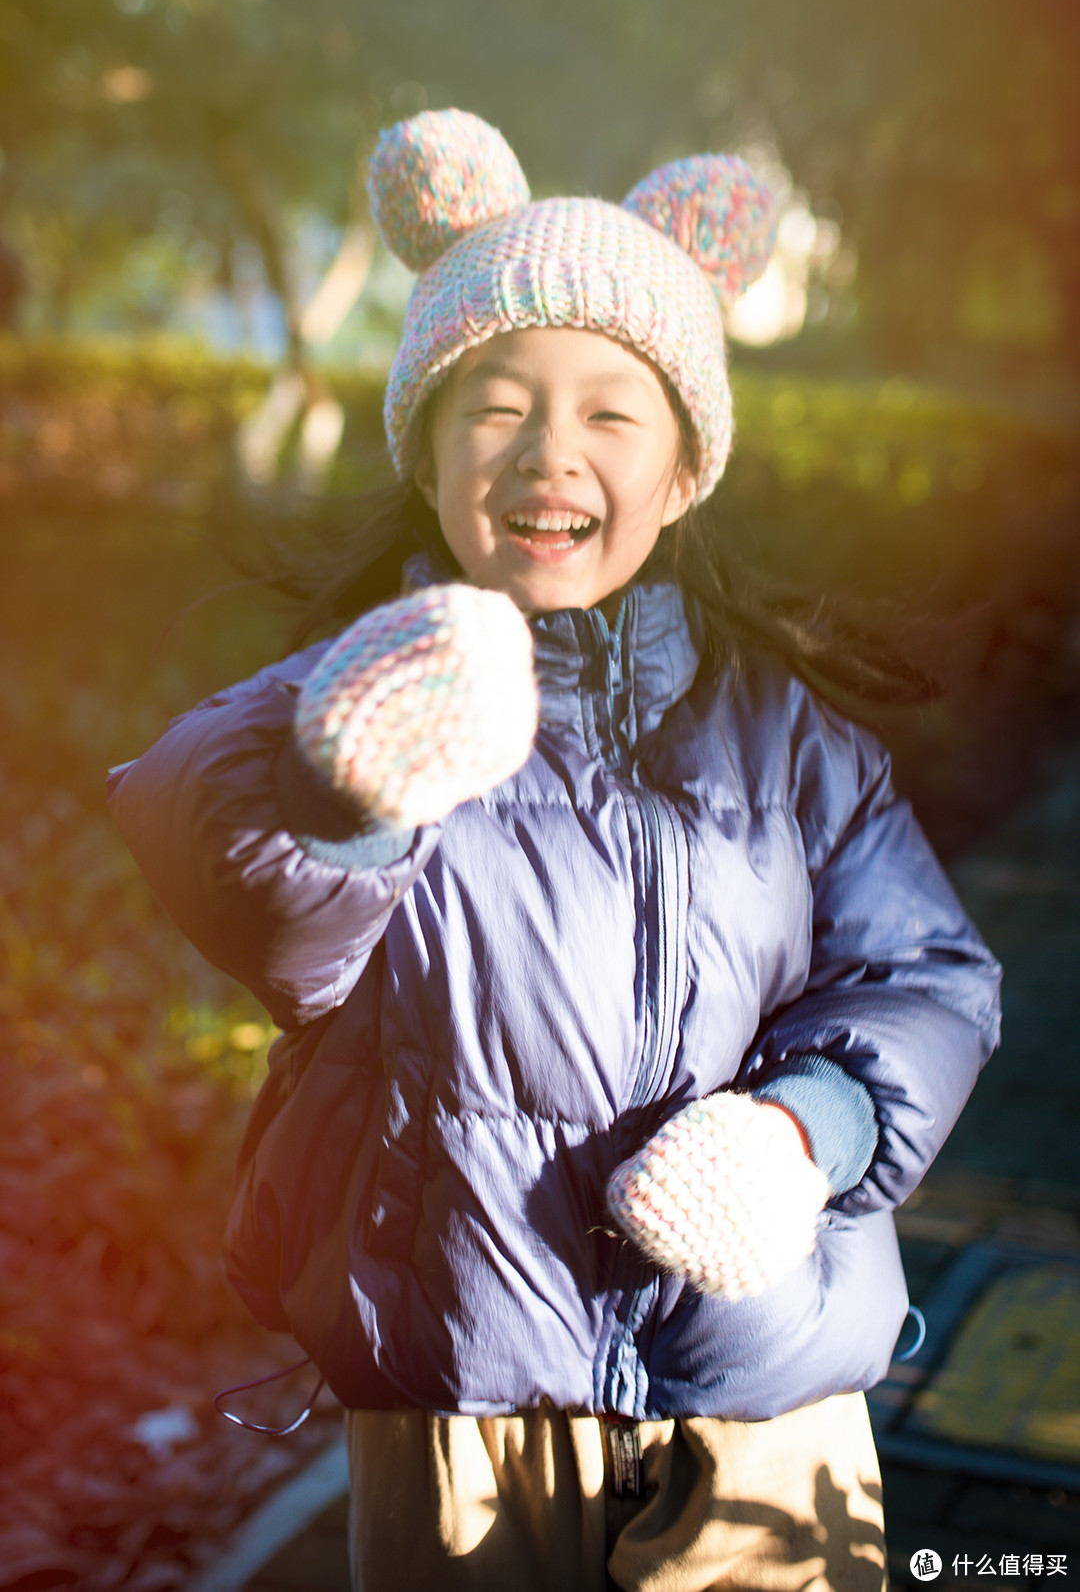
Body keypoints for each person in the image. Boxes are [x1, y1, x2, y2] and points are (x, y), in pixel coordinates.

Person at [108, 111, 1001, 1591]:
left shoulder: (785, 735)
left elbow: (926, 978)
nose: (549, 452)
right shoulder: (366, 690)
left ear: (684, 468)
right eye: (495, 405)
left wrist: (806, 1133)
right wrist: (360, 794)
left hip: (760, 1386)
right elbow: (212, 837)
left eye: (609, 411)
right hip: (467, 1382)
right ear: (430, 447)